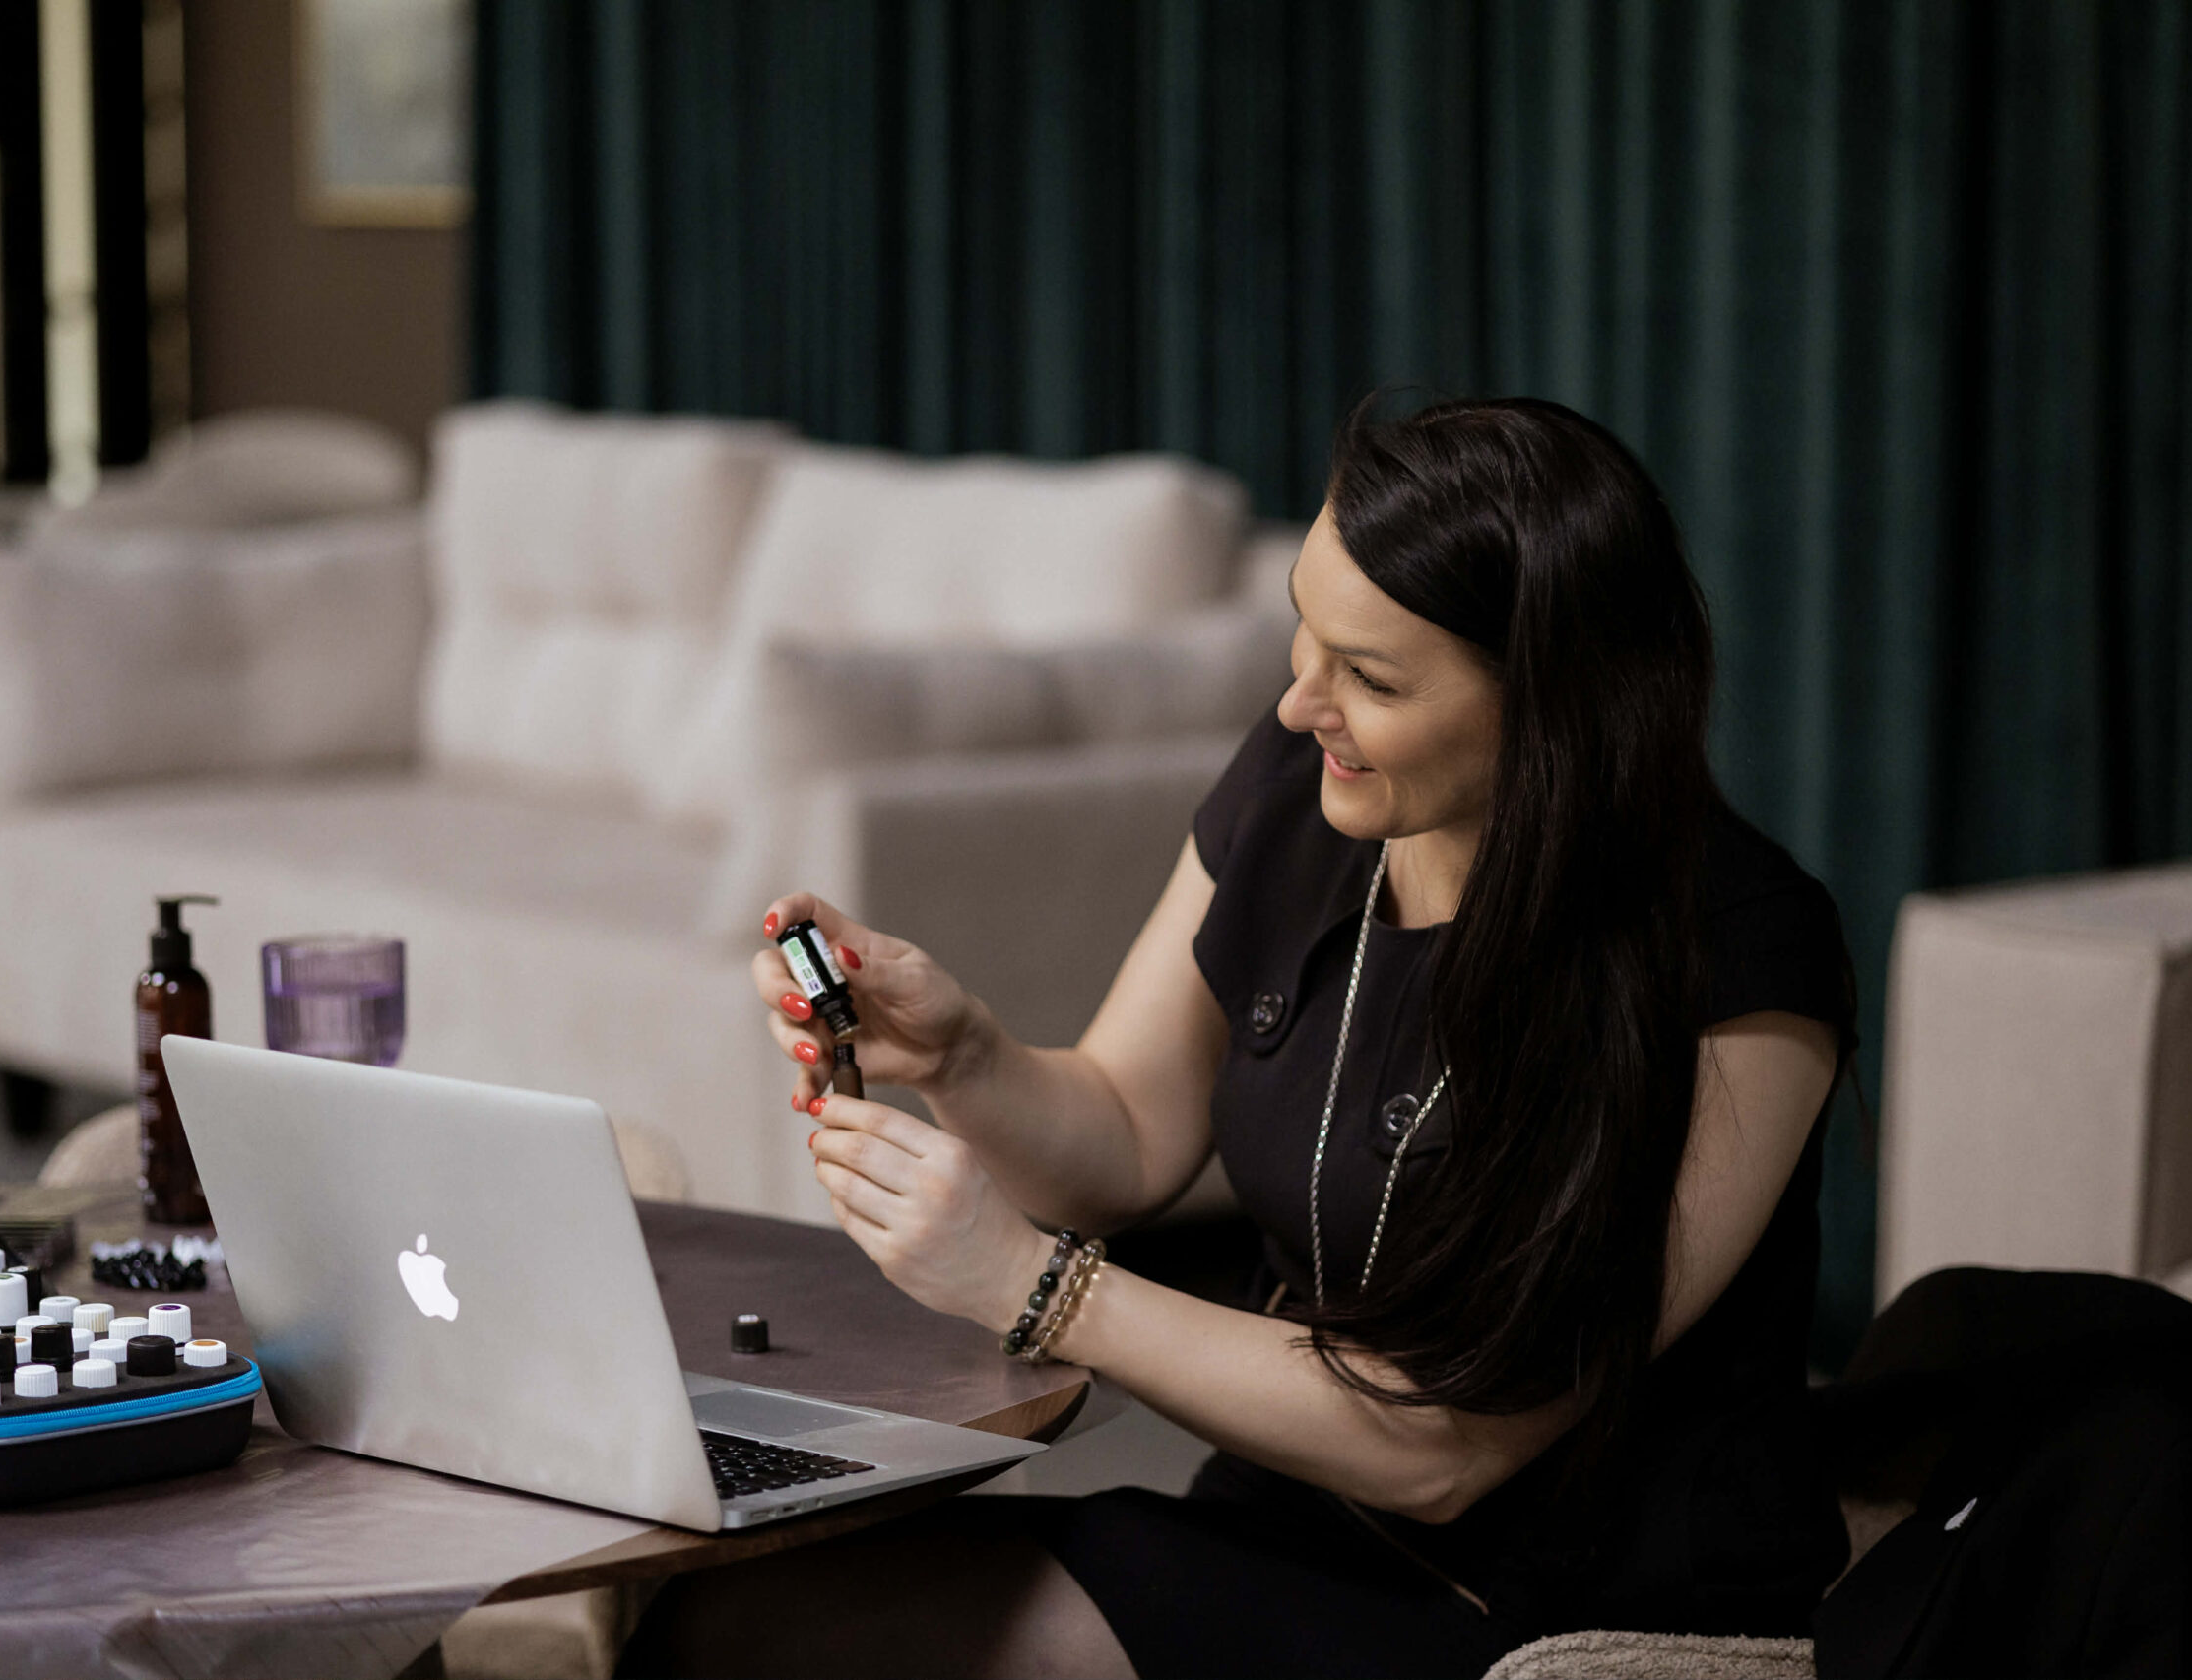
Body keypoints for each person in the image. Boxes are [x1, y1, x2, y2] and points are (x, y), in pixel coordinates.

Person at [621, 395, 1855, 1679]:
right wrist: (962, 1055)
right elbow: (1122, 1132)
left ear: (1555, 706)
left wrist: (1033, 1285)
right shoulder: (1306, 796)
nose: (1299, 703)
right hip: (1290, 1516)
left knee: (779, 1638)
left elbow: (1447, 1447)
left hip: (1555, 1608)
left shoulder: (1738, 964)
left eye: (1371, 677)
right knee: (729, 1616)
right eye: (1304, 631)